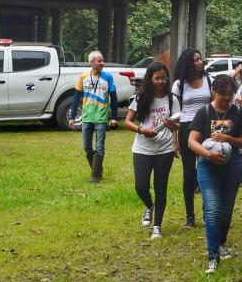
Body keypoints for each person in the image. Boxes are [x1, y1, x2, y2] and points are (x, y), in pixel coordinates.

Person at [188, 74, 242, 274]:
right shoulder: (204, 112)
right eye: (223, 95)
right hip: (208, 166)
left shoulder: (238, 113)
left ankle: (221, 241)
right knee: (213, 209)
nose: (226, 99)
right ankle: (212, 256)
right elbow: (192, 141)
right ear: (214, 91)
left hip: (232, 166)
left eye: (230, 95)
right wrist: (208, 154)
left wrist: (227, 138)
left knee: (226, 210)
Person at [123, 62, 181, 239]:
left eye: (164, 78)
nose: (161, 81)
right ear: (150, 79)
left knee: (160, 187)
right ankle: (149, 206)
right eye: (157, 78)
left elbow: (178, 125)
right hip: (142, 147)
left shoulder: (172, 99)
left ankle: (157, 226)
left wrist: (174, 130)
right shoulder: (141, 98)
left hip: (164, 149)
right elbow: (128, 121)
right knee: (141, 186)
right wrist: (142, 130)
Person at [172, 48, 212, 228]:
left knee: (207, 171)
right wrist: (175, 139)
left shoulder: (209, 80)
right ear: (188, 63)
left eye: (200, 59)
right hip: (187, 127)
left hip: (206, 128)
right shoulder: (179, 85)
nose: (200, 62)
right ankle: (190, 216)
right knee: (189, 174)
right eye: (196, 59)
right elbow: (175, 114)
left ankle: (207, 212)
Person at [69, 50, 118, 183]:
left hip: (101, 117)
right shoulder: (83, 77)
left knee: (100, 146)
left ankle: (94, 176)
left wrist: (114, 117)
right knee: (87, 147)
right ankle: (97, 171)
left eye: (102, 60)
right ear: (91, 62)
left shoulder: (108, 77)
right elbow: (76, 98)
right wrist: (72, 117)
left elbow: (114, 98)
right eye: (99, 61)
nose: (102, 63)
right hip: (87, 117)